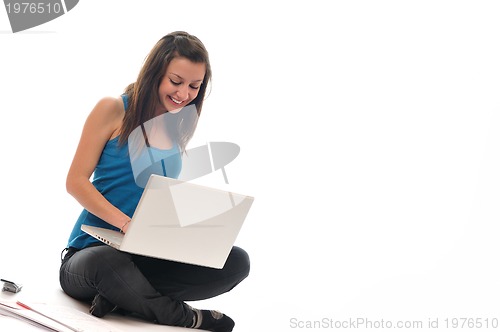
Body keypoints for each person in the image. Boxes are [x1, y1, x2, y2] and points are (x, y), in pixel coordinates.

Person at [59, 31, 249, 332]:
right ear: (155, 73)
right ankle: (187, 318)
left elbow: (154, 200)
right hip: (88, 257)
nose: (184, 94)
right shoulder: (113, 109)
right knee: (108, 262)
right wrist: (124, 224)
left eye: (194, 86)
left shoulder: (178, 126)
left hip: (141, 258)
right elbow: (76, 182)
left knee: (236, 262)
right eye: (176, 81)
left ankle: (123, 296)